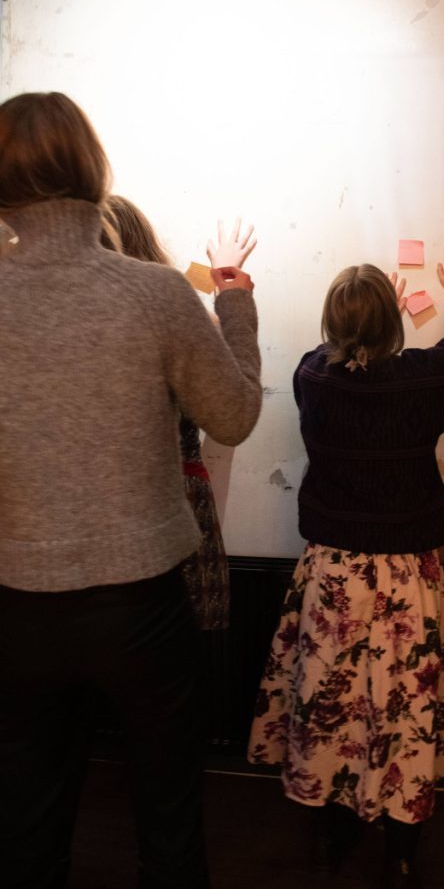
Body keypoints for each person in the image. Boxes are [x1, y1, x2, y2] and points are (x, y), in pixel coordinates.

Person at [0, 91, 262, 889]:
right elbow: (234, 416)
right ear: (94, 170)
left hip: (16, 606)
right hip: (142, 609)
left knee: (28, 827)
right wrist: (236, 308)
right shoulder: (153, 293)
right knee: (169, 824)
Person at [248, 245, 444, 889]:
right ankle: (400, 854)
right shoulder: (426, 380)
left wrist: (369, 327)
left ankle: (331, 839)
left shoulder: (311, 376)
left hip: (333, 575)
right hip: (407, 579)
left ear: (332, 324)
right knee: (406, 713)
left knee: (331, 707)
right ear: (393, 324)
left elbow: (344, 359)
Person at [103, 197, 256, 631]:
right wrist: (229, 289)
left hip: (102, 511)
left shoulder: (79, 326)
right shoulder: (175, 316)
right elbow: (233, 405)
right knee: (181, 639)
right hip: (179, 501)